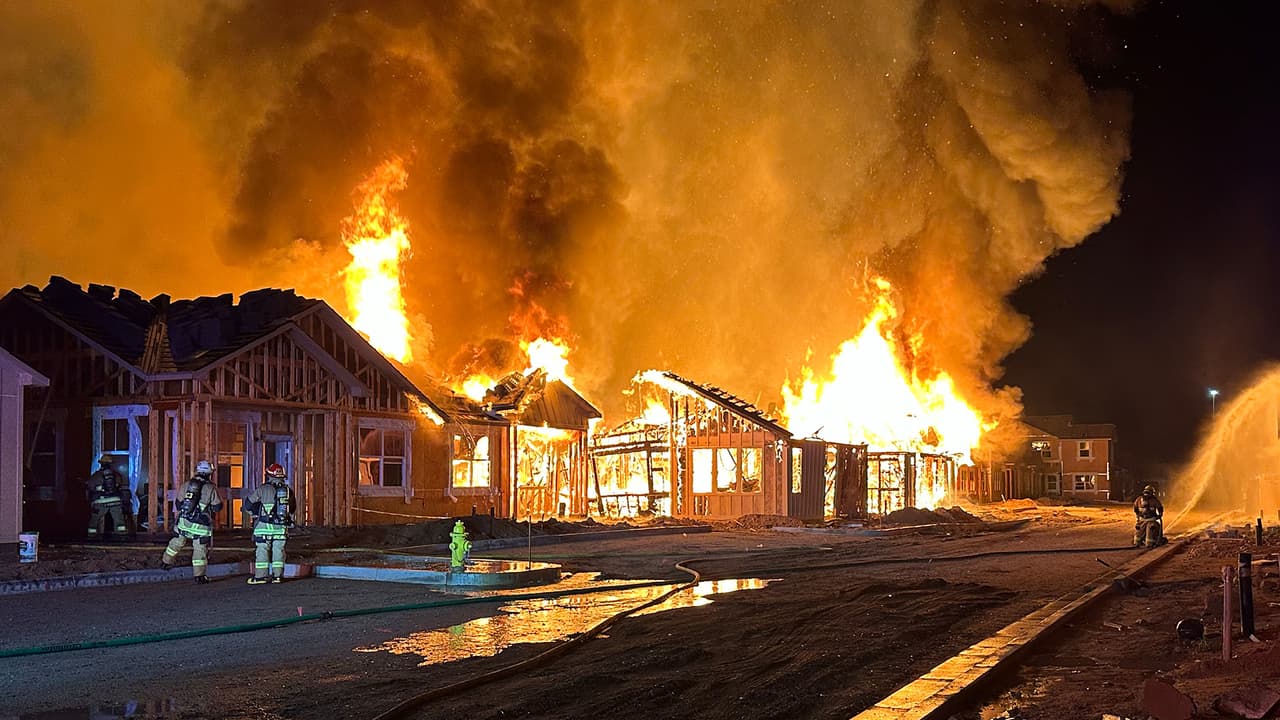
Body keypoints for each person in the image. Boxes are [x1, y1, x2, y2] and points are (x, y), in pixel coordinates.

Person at [162, 460, 223, 584]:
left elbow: (178, 505)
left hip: (184, 523)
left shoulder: (186, 484)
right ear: (210, 473)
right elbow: (218, 507)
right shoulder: (211, 488)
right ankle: (199, 576)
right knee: (200, 549)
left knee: (176, 542)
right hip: (200, 527)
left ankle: (165, 562)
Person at [245, 463, 295, 584]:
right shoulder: (287, 491)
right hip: (280, 528)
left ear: (268, 475)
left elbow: (248, 505)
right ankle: (278, 577)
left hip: (263, 527)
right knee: (279, 551)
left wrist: (256, 512)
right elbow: (292, 508)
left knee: (262, 550)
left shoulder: (263, 489)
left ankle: (260, 577)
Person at [86, 455, 130, 540]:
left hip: (101, 501)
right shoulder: (117, 475)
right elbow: (119, 485)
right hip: (116, 501)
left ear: (101, 464)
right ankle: (122, 536)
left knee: (94, 519)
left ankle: (91, 536)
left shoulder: (97, 475)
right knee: (119, 520)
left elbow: (90, 486)